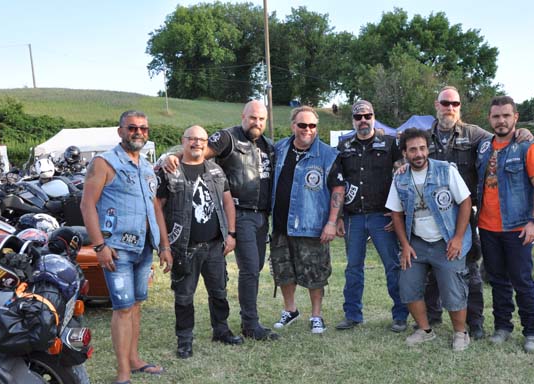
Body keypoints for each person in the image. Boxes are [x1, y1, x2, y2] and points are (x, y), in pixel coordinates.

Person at [422, 85, 533, 339]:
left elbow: (502, 137)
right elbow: (406, 157)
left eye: (455, 104)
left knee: (470, 271)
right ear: (437, 105)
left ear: (459, 107)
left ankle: (476, 322)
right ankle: (432, 316)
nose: (450, 108)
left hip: (464, 215)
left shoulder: (474, 134)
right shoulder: (424, 137)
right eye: (445, 103)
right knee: (430, 269)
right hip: (430, 216)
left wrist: (522, 132)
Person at [164, 101, 278, 340]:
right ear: (243, 116)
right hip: (240, 212)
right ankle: (251, 324)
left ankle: (244, 321)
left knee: (255, 268)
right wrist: (173, 156)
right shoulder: (227, 138)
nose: (257, 123)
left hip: (261, 215)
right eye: (253, 118)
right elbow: (196, 153)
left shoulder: (268, 145)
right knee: (250, 269)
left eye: (261, 119)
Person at [80, 110, 172, 384]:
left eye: (143, 128)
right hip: (117, 250)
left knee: (136, 305)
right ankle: (122, 372)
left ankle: (134, 359)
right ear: (120, 131)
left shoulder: (146, 166)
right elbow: (87, 205)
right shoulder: (104, 163)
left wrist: (165, 245)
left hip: (144, 247)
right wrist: (99, 246)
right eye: (132, 128)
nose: (138, 133)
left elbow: (155, 207)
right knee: (122, 308)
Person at [155, 125, 243, 359]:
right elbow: (157, 208)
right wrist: (164, 246)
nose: (197, 143)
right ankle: (184, 340)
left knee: (219, 291)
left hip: (215, 245)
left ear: (206, 143)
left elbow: (227, 202)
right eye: (192, 139)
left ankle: (221, 331)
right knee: (184, 296)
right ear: (183, 141)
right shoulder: (170, 170)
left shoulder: (215, 170)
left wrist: (231, 234)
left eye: (202, 139)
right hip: (184, 248)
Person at [387, 127, 473, 351]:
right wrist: (405, 245)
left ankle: (460, 333)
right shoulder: (400, 177)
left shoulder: (446, 170)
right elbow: (396, 213)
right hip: (417, 242)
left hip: (447, 240)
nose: (419, 154)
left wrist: (457, 238)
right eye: (413, 150)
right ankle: (425, 330)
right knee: (407, 285)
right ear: (404, 153)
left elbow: (465, 202)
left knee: (453, 289)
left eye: (422, 148)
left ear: (428, 149)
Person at [476, 96, 534, 353]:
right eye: (496, 116)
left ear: (515, 117)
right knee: (497, 281)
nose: (501, 121)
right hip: (487, 227)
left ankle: (532, 332)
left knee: (522, 281)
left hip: (518, 227)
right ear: (489, 119)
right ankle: (502, 327)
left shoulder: (529, 148)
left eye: (506, 115)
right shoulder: (483, 147)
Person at [333, 100, 409, 332]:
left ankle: (400, 315)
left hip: (382, 216)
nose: (363, 120)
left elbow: (403, 176)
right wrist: (338, 217)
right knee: (353, 268)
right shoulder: (343, 146)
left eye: (367, 116)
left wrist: (398, 213)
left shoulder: (390, 143)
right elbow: (337, 184)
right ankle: (352, 315)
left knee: (393, 266)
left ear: (374, 117)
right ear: (353, 121)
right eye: (358, 117)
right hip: (353, 217)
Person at [270, 106, 344, 333]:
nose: (308, 130)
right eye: (303, 125)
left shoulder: (328, 154)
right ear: (293, 126)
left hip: (312, 225)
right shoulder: (279, 149)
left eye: (312, 125)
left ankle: (316, 315)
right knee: (283, 271)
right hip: (281, 225)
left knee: (316, 273)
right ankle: (290, 310)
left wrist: (332, 222)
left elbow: (338, 188)